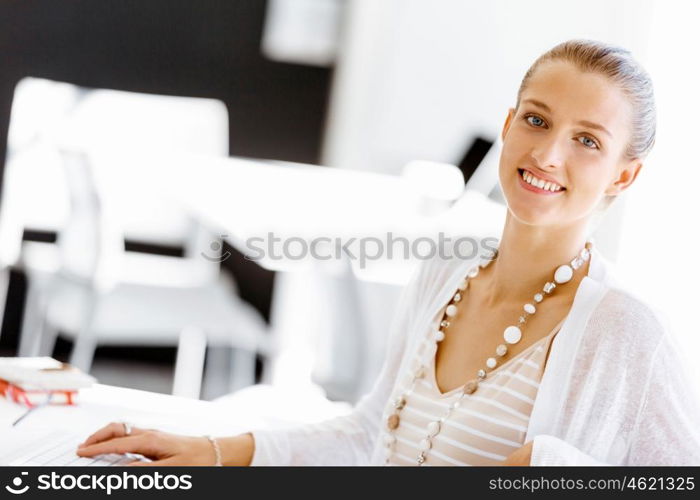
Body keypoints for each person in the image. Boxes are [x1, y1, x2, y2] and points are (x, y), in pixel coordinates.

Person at [75, 39, 700, 466]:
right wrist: (210, 449)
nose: (548, 155)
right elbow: (371, 432)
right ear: (507, 125)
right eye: (537, 121)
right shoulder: (446, 270)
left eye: (587, 140)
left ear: (623, 176)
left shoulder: (626, 329)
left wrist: (552, 468)